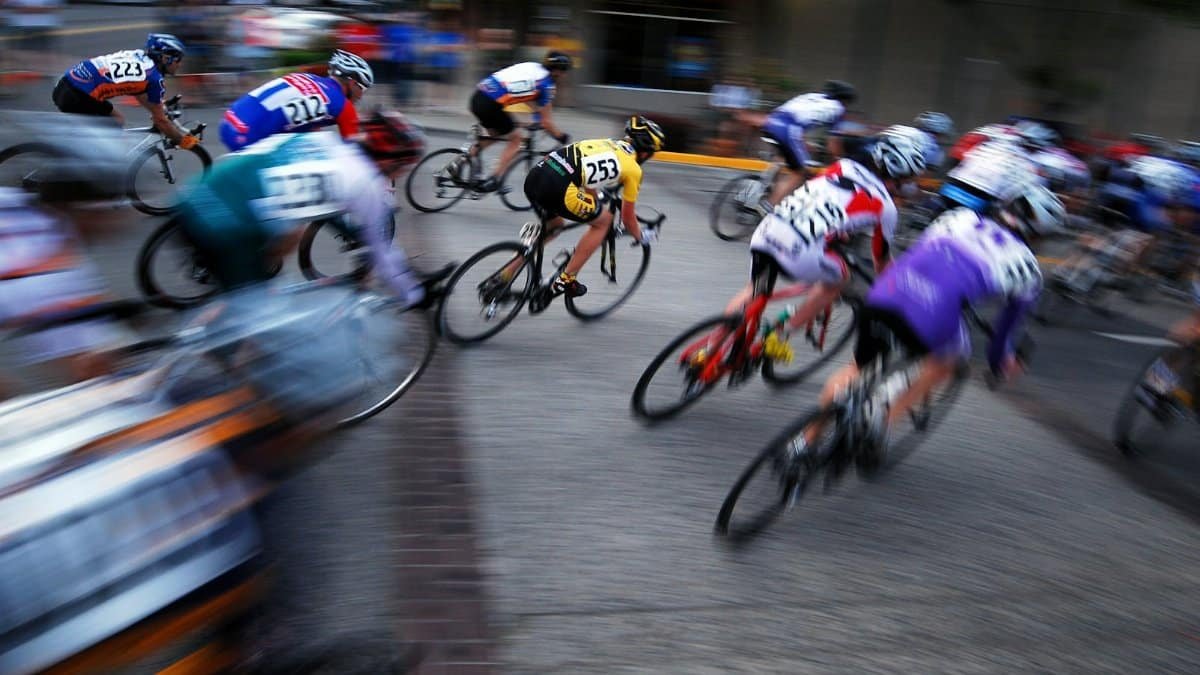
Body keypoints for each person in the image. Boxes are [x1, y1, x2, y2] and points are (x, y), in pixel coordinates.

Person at [806, 182, 1065, 474]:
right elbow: (1003, 333)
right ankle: (883, 423)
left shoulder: (961, 217)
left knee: (857, 369)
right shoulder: (1029, 269)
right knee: (948, 361)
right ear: (1040, 232)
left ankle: (804, 444)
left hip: (888, 291)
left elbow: (925, 257)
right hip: (933, 311)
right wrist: (999, 363)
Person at [176, 111, 450, 308]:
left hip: (198, 194)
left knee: (256, 278)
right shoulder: (366, 185)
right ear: (392, 161)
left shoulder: (325, 142)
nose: (403, 173)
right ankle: (157, 381)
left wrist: (351, 231)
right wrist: (415, 294)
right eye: (405, 166)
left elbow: (325, 204)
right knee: (257, 320)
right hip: (228, 227)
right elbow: (384, 253)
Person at [717, 129, 927, 362]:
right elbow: (881, 260)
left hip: (767, 230)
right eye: (910, 179)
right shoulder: (886, 207)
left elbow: (822, 201)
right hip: (800, 252)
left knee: (754, 291)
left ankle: (712, 347)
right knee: (839, 280)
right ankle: (778, 337)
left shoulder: (841, 166)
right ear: (901, 177)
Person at [511, 115, 666, 299]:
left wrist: (594, 200)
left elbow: (583, 173)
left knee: (555, 227)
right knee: (604, 222)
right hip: (558, 188)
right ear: (646, 152)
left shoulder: (606, 143)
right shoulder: (634, 170)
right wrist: (641, 236)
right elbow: (627, 218)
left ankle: (505, 275)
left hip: (537, 175)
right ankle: (566, 279)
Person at [52, 33, 195, 149]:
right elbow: (161, 122)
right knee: (110, 139)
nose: (180, 64)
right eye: (178, 59)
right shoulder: (155, 79)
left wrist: (157, 107)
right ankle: (85, 172)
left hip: (67, 84)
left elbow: (138, 90)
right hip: (78, 95)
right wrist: (182, 141)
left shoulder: (140, 57)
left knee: (116, 121)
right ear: (165, 58)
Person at [219, 50, 374, 152]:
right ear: (353, 83)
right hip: (247, 140)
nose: (361, 95)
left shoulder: (305, 77)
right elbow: (355, 153)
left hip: (229, 121)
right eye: (363, 88)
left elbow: (310, 127)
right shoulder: (344, 106)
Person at [469, 51, 572, 193]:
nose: (565, 75)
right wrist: (562, 137)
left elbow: (528, 95)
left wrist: (534, 118)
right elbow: (546, 123)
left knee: (496, 134)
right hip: (491, 104)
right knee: (516, 139)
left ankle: (461, 161)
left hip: (478, 96)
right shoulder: (547, 86)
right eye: (564, 71)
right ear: (558, 71)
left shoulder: (533, 67)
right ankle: (494, 180)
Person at [758, 79, 858, 213]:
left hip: (771, 121)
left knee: (783, 156)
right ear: (844, 100)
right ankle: (768, 206)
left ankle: (752, 191)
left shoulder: (812, 96)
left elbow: (796, 117)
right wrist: (839, 159)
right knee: (800, 172)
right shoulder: (838, 109)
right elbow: (833, 143)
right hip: (789, 130)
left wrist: (804, 144)